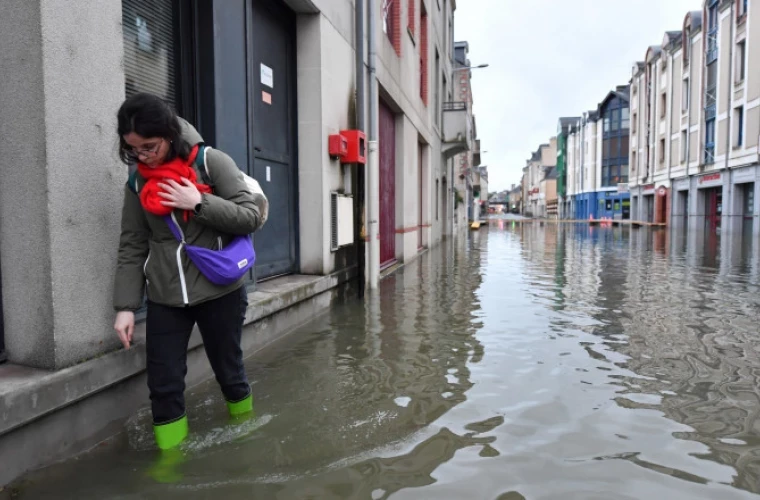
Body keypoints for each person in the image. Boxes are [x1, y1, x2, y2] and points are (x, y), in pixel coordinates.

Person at [113, 93, 264, 451]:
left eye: (149, 147)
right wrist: (125, 306)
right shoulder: (137, 183)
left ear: (168, 134)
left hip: (220, 289)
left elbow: (250, 217)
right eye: (133, 150)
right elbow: (133, 242)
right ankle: (171, 465)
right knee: (163, 384)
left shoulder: (212, 163)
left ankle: (247, 439)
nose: (142, 157)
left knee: (229, 372)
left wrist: (198, 203)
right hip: (165, 295)